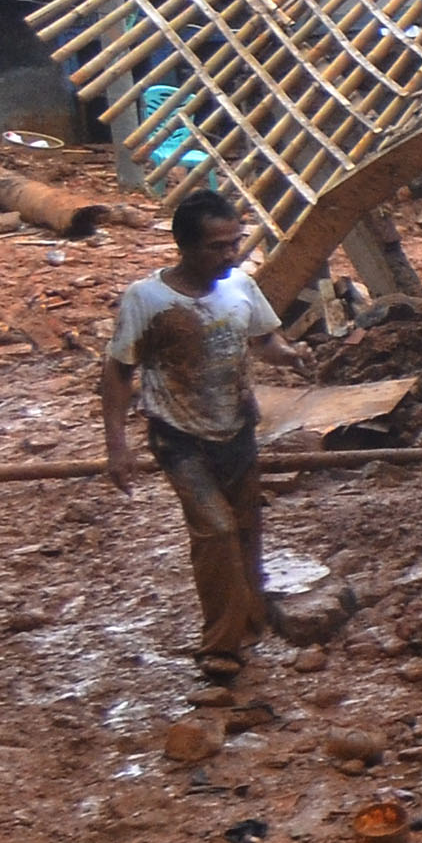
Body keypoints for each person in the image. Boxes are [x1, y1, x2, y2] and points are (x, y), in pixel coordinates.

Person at [100, 185, 306, 680]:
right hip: (178, 435)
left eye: (234, 243)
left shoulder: (239, 287)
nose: (229, 254)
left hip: (237, 427)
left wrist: (290, 355)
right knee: (215, 530)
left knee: (246, 527)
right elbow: (117, 373)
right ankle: (220, 645)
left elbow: (261, 340)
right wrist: (117, 448)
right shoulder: (146, 299)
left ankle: (251, 622)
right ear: (185, 247)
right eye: (217, 246)